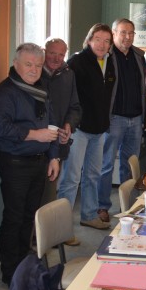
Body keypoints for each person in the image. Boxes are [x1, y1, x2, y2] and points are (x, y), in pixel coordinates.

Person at [0, 43, 60, 285]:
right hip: (15, 162)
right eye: (28, 64)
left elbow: (51, 124)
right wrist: (34, 135)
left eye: (38, 65)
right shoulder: (5, 92)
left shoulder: (40, 89)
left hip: (40, 161)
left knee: (30, 216)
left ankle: (24, 263)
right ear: (15, 64)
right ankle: (11, 272)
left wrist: (54, 156)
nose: (34, 70)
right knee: (14, 217)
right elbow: (0, 128)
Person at [57, 23, 116, 231]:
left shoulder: (109, 62)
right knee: (71, 179)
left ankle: (89, 215)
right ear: (89, 40)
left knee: (92, 176)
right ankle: (61, 227)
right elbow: (66, 97)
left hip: (99, 131)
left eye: (106, 41)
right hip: (79, 130)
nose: (102, 44)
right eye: (98, 39)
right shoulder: (76, 63)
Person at [98, 18, 146, 224]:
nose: (127, 37)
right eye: (123, 32)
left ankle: (128, 206)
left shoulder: (139, 56)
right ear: (114, 33)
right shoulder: (106, 56)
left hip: (135, 119)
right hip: (114, 119)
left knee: (130, 165)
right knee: (107, 164)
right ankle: (102, 206)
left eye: (131, 33)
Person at [41, 37, 82, 245]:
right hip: (37, 143)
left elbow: (75, 107)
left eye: (61, 54)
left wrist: (68, 125)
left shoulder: (68, 74)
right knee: (41, 195)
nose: (56, 58)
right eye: (52, 53)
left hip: (59, 142)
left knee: (53, 192)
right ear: (44, 51)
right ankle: (42, 238)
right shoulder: (34, 74)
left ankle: (56, 234)